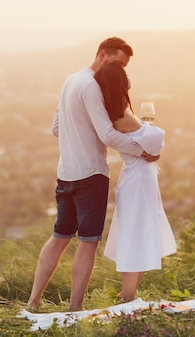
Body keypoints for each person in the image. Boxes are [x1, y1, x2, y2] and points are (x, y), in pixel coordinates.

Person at [27, 37, 158, 312]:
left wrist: (79, 132)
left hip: (66, 173)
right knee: (88, 242)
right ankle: (75, 308)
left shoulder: (71, 81)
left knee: (60, 236)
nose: (120, 71)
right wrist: (141, 150)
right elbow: (107, 134)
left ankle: (34, 300)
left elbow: (56, 127)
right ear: (101, 55)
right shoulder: (91, 86)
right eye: (118, 63)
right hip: (90, 175)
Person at [95, 62, 176, 303]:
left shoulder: (115, 112)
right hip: (139, 179)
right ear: (119, 82)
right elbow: (156, 140)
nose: (128, 77)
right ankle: (128, 295)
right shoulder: (121, 115)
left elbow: (149, 144)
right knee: (135, 233)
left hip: (137, 177)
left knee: (140, 230)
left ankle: (128, 293)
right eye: (124, 74)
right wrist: (150, 138)